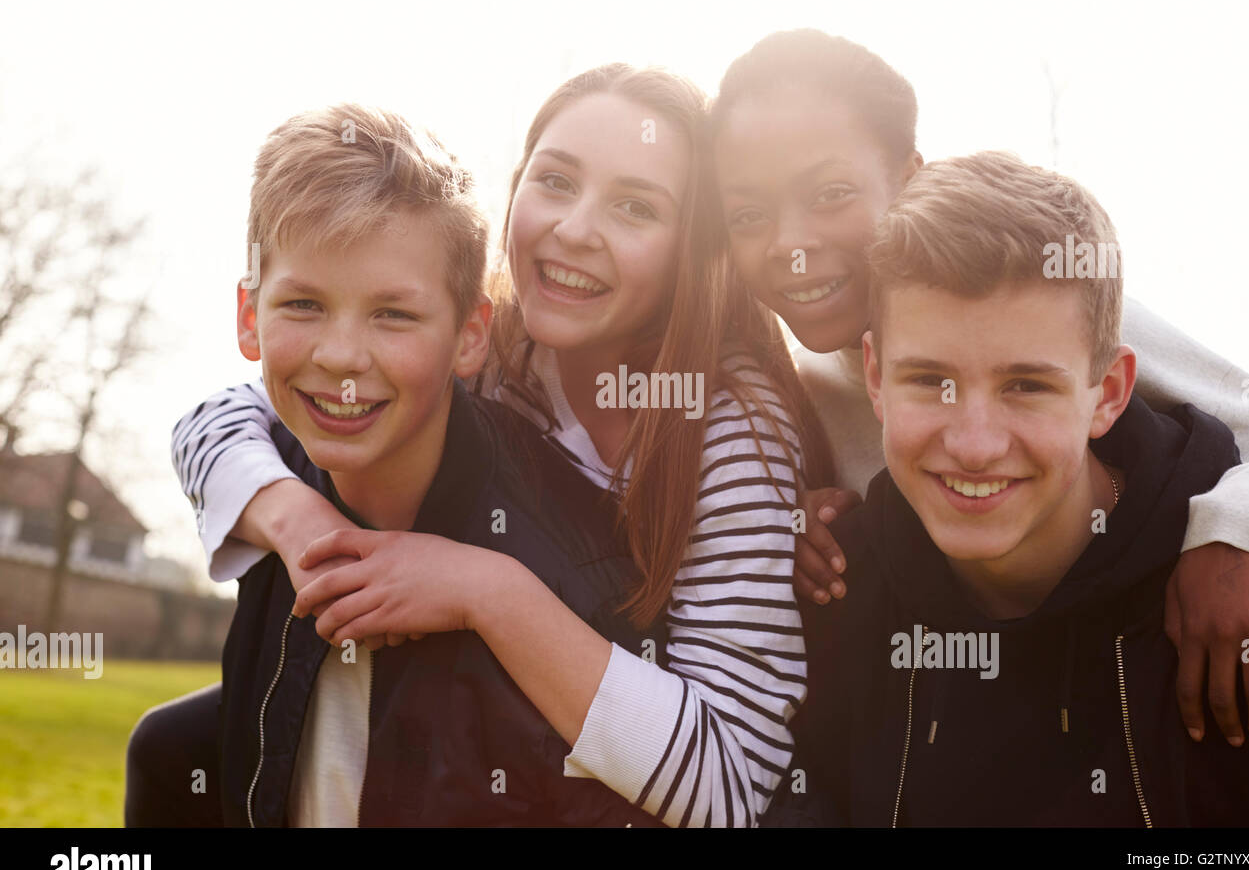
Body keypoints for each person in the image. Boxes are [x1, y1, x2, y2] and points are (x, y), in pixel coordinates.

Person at [148, 67, 828, 827]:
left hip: (612, 756)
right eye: (556, 180)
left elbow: (731, 781)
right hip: (455, 716)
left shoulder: (727, 426)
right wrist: (303, 524)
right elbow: (220, 420)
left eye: (636, 206)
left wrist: (485, 589)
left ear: (693, 248)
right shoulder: (488, 351)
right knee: (169, 746)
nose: (575, 229)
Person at [709, 29, 1249, 744]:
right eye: (748, 214)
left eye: (830, 193)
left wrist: (1237, 532)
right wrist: (805, 528)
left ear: (907, 177)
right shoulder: (796, 392)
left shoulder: (1034, 292)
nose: (788, 244)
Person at [767, 152, 1249, 826]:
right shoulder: (828, 607)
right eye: (930, 381)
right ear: (874, 377)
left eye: (1026, 386)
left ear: (1107, 392)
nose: (975, 443)